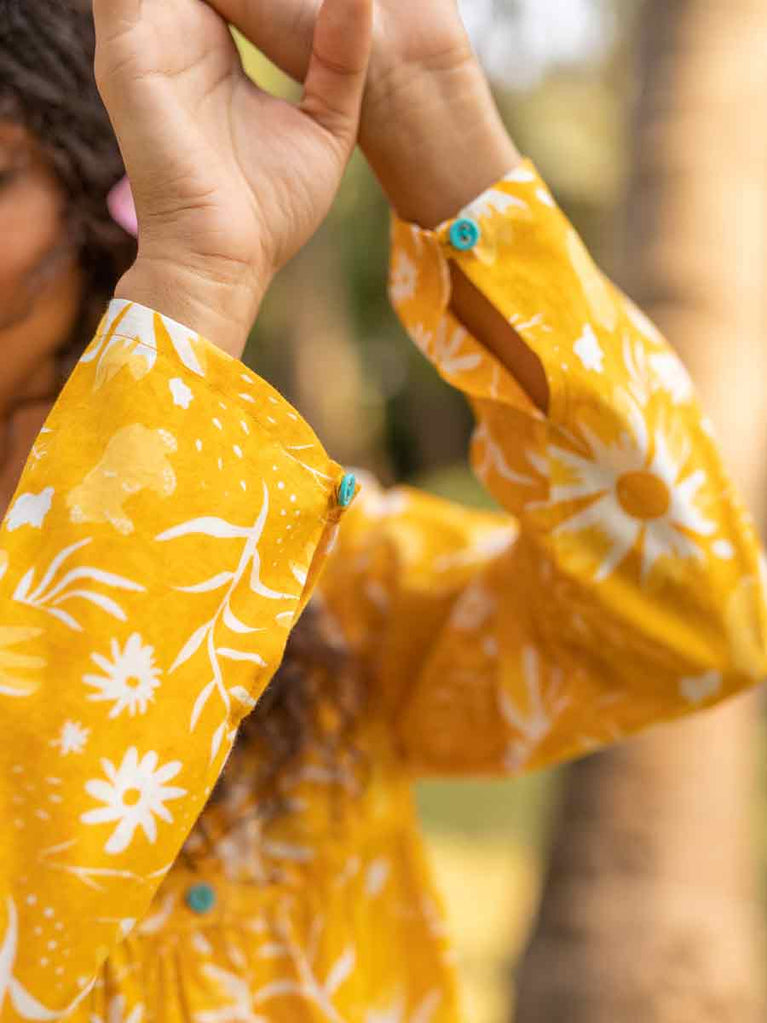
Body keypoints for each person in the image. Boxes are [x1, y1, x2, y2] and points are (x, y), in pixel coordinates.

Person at [0, 0, 764, 1018]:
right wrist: (191, 281)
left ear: (100, 183)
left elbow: (684, 620)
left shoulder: (322, 576)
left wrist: (437, 124)